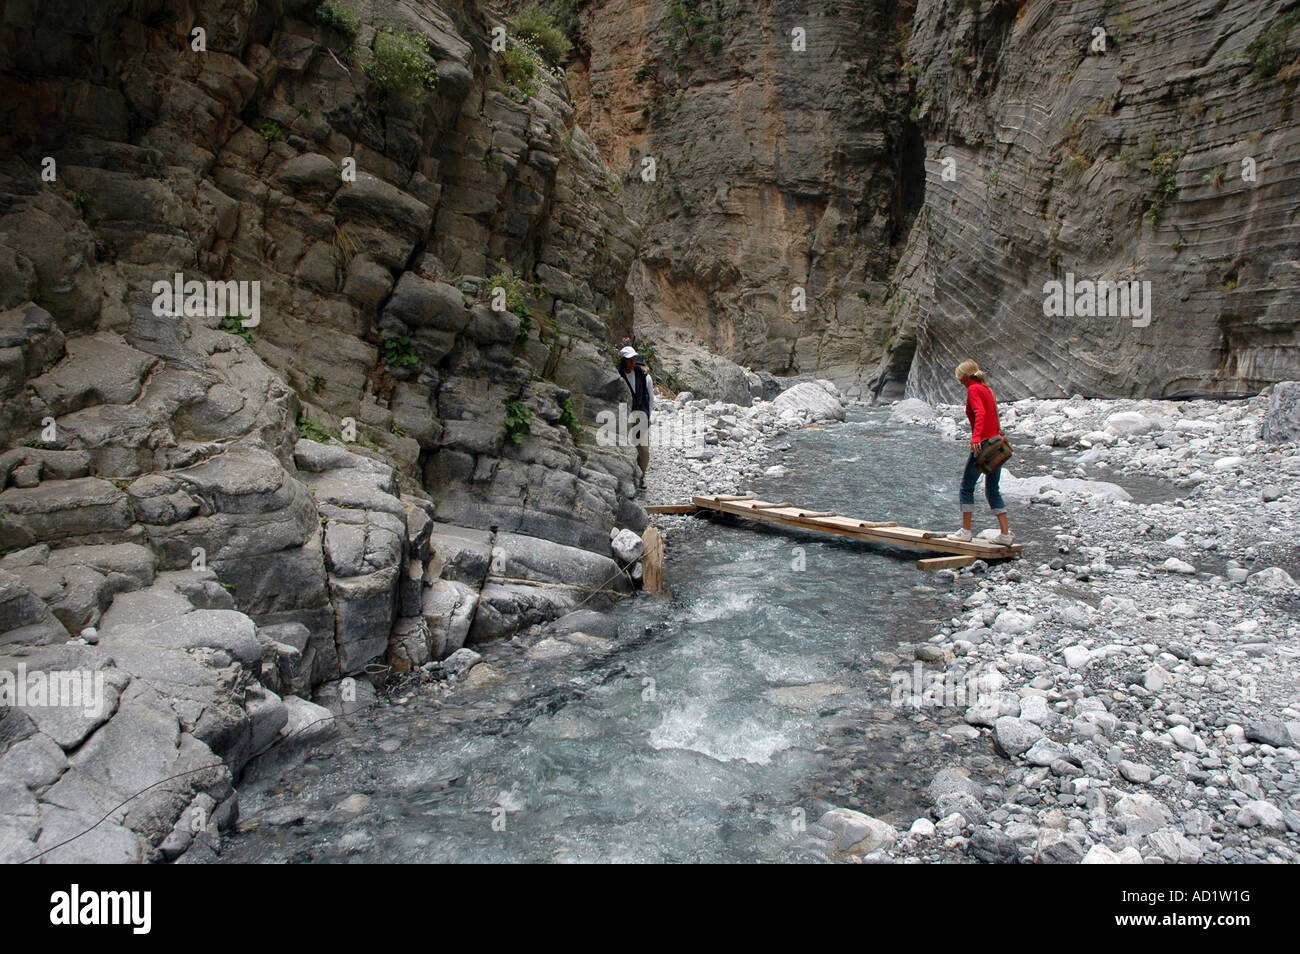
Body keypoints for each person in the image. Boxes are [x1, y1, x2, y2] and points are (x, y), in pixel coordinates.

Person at [947, 359, 1013, 546]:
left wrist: (976, 438)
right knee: (992, 489)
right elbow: (993, 415)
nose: (959, 380)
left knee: (966, 487)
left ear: (966, 376)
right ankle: (1005, 534)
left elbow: (980, 413)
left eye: (960, 376)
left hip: (983, 445)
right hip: (996, 444)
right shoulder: (988, 390)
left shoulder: (973, 389)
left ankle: (966, 531)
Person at [618, 344, 653, 488]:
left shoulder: (643, 376)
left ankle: (642, 477)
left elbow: (650, 398)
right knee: (627, 449)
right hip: (624, 418)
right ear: (623, 360)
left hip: (641, 416)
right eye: (629, 360)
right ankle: (628, 478)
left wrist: (648, 416)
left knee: (643, 450)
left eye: (634, 359)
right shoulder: (617, 375)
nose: (632, 362)